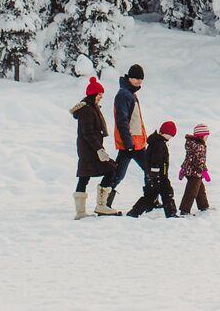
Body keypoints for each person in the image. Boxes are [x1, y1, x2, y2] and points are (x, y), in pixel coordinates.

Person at [100, 63, 148, 213]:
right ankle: (103, 203)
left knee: (148, 169)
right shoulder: (123, 95)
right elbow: (122, 121)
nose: (139, 82)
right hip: (131, 143)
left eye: (141, 79)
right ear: (129, 78)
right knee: (121, 173)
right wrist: (128, 143)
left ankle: (151, 199)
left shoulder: (130, 94)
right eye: (136, 78)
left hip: (136, 143)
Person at [71, 77, 120, 219]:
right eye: (99, 95)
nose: (101, 98)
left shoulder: (90, 108)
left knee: (84, 177)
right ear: (93, 94)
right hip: (90, 151)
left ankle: (82, 212)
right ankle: (100, 205)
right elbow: (88, 133)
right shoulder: (87, 110)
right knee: (110, 169)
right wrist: (99, 150)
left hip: (88, 149)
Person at [127, 120, 180, 218]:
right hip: (159, 176)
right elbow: (155, 160)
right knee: (167, 193)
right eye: (171, 135)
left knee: (149, 196)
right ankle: (171, 213)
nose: (170, 138)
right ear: (166, 133)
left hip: (154, 176)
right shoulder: (159, 144)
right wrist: (156, 175)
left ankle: (134, 212)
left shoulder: (155, 142)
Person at [178, 123, 211, 215]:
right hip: (195, 173)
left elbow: (187, 158)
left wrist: (183, 169)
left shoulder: (192, 144)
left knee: (200, 190)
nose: (207, 138)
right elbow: (200, 161)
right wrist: (204, 171)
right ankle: (184, 210)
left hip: (192, 172)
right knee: (191, 192)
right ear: (201, 136)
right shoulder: (199, 146)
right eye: (206, 136)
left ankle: (204, 206)